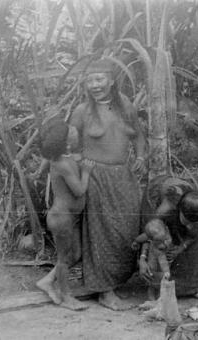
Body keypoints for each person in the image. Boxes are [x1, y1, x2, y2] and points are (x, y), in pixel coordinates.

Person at [69, 58, 147, 311]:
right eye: (90, 80)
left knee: (126, 229)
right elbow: (70, 143)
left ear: (111, 81)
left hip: (123, 176)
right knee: (101, 234)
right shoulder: (82, 111)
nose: (94, 85)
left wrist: (142, 156)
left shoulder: (125, 105)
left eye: (99, 79)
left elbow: (138, 135)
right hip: (96, 178)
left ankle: (118, 280)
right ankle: (105, 290)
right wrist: (83, 166)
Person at [35, 120, 95, 311]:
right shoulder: (63, 164)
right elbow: (78, 191)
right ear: (66, 141)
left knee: (75, 254)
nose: (75, 130)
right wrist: (86, 172)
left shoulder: (64, 158)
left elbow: (57, 159)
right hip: (61, 218)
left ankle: (47, 281)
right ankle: (66, 296)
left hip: (69, 217)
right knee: (63, 258)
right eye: (71, 130)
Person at [139, 175, 198, 297]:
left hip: (181, 201)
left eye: (195, 224)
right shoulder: (165, 210)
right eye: (186, 222)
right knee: (159, 241)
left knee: (191, 243)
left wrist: (183, 245)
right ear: (179, 211)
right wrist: (142, 258)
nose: (190, 227)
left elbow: (194, 234)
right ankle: (155, 289)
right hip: (156, 192)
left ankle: (191, 288)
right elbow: (149, 233)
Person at [131, 218, 172, 301]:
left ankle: (160, 298)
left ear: (166, 230)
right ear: (150, 239)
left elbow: (163, 261)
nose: (162, 243)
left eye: (164, 239)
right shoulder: (150, 241)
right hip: (152, 262)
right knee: (151, 281)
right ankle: (152, 298)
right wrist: (136, 242)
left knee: (163, 280)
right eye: (158, 241)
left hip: (162, 265)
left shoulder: (167, 236)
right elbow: (142, 238)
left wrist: (166, 271)